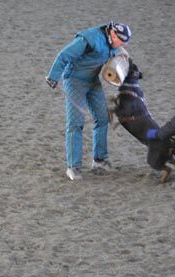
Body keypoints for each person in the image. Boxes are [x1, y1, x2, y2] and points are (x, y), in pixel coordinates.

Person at [45, 22, 132, 180]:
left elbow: (120, 53)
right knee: (75, 122)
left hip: (92, 81)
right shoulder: (88, 39)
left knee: (102, 117)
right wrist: (53, 76)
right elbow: (64, 55)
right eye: (121, 41)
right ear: (112, 34)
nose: (121, 45)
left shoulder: (114, 43)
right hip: (74, 80)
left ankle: (99, 160)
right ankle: (73, 167)